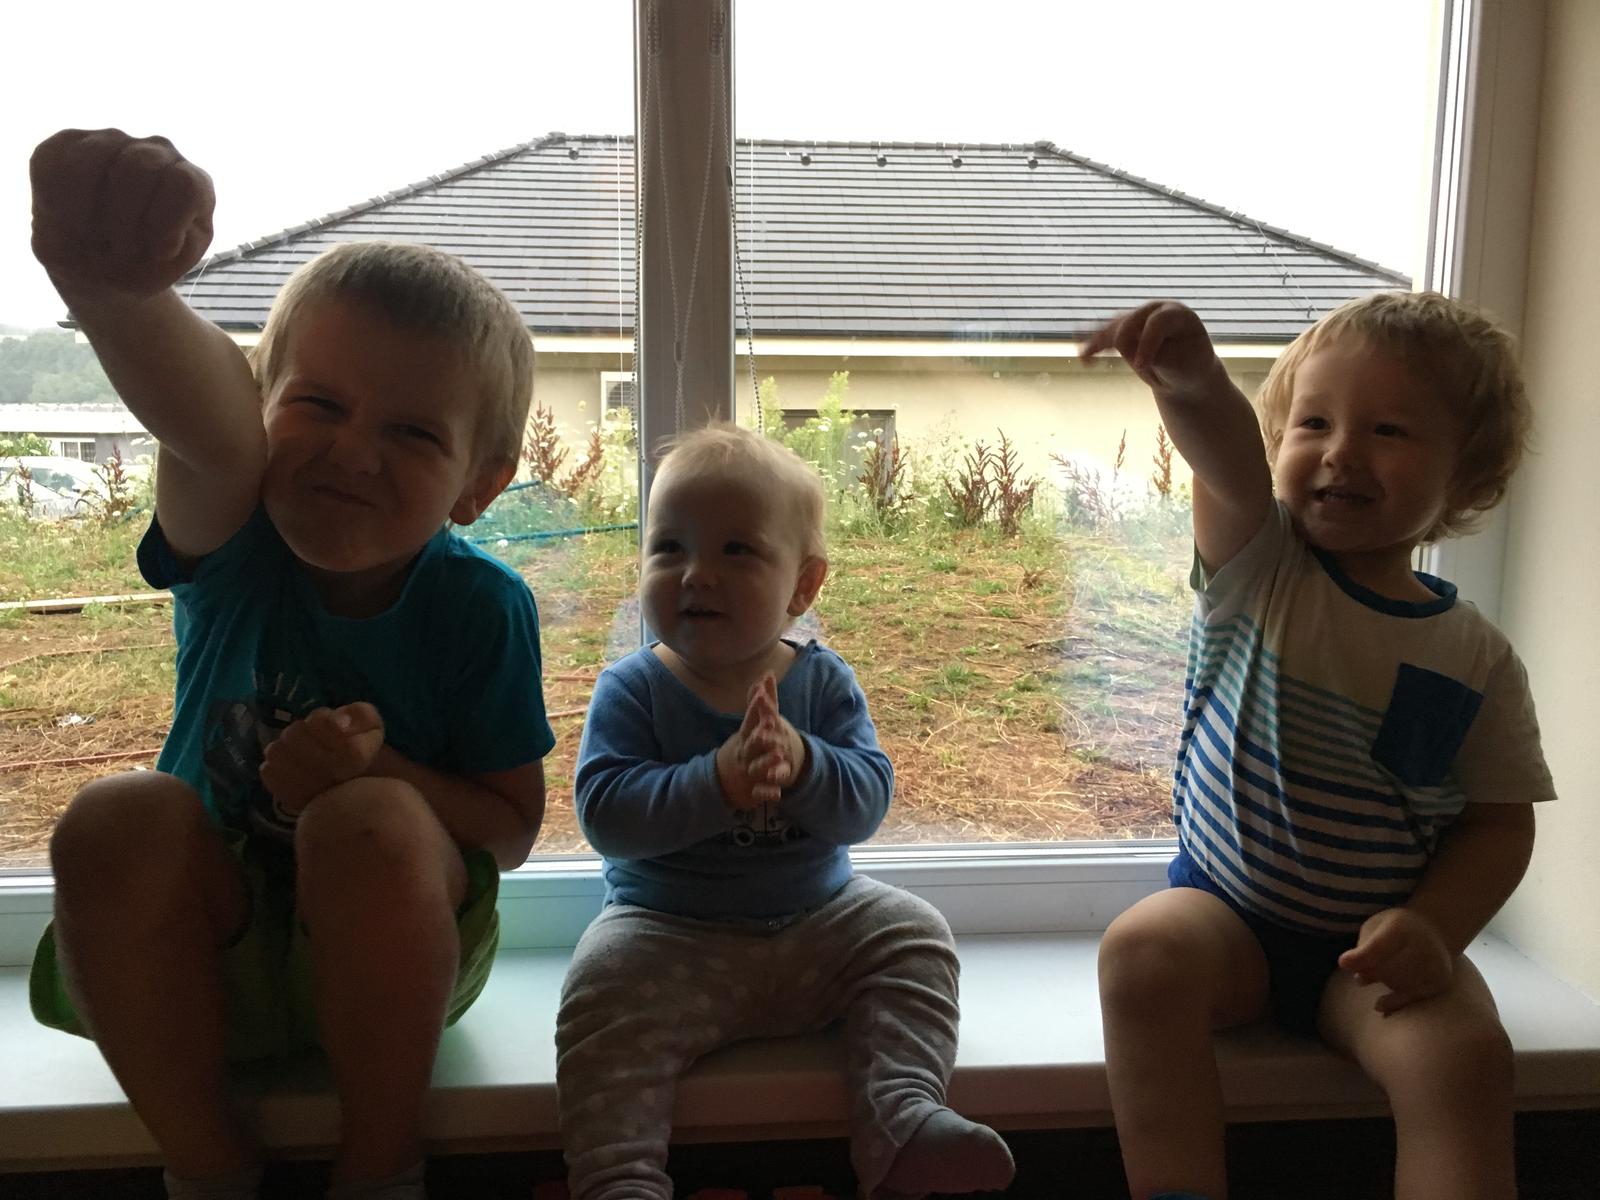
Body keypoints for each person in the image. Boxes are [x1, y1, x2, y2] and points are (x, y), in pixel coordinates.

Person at [26, 129, 555, 1200]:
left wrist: (375, 773)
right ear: (265, 407)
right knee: (114, 815)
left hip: (396, 967)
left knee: (367, 822)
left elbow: (507, 829)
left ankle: (380, 1167)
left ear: (479, 485)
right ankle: (206, 1169)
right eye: (316, 405)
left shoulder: (481, 606)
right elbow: (210, 433)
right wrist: (117, 296)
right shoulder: (234, 538)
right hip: (203, 960)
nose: (354, 451)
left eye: (414, 434)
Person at [1083, 293, 1557, 1200]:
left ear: (1467, 478)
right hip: (1228, 925)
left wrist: (1434, 927)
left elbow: (1500, 825)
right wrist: (1191, 382)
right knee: (1140, 954)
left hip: (1370, 957)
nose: (1341, 450)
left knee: (1462, 1058)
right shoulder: (1259, 565)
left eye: (1388, 430)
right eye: (1313, 422)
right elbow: (1228, 462)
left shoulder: (1478, 659)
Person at [556, 424, 1015, 1200]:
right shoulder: (633, 688)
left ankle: (904, 1122)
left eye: (736, 550)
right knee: (600, 986)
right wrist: (716, 781)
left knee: (915, 935)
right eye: (668, 547)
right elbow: (605, 814)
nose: (695, 573)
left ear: (803, 587)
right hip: (668, 934)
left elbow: (866, 802)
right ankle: (618, 1177)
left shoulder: (822, 683)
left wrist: (804, 765)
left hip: (820, 923)